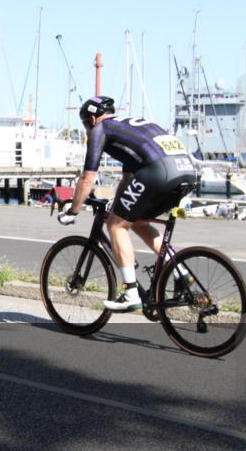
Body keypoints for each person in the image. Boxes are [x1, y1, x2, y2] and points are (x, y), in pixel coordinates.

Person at [58, 96, 196, 312]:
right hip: (185, 170)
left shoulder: (100, 129)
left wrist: (73, 210)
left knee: (115, 225)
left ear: (92, 119)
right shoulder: (126, 127)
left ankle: (130, 292)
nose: (86, 130)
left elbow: (87, 179)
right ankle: (181, 273)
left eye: (85, 124)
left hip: (159, 171)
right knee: (137, 222)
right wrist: (119, 207)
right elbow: (127, 177)